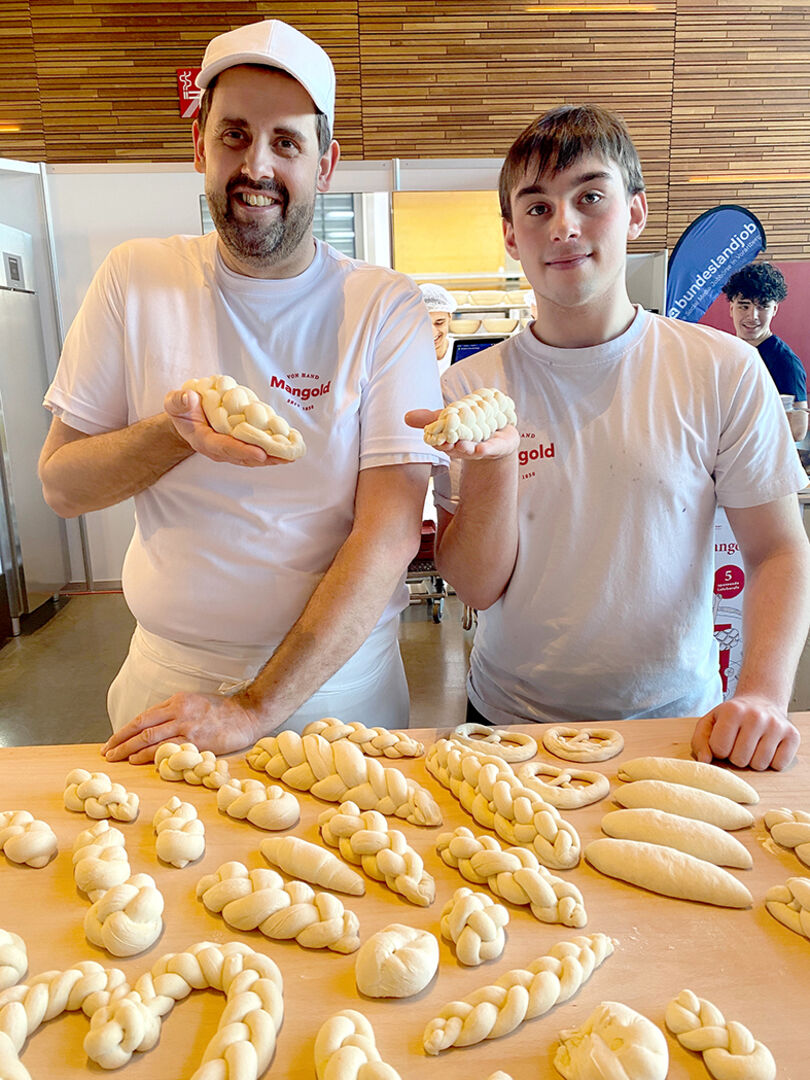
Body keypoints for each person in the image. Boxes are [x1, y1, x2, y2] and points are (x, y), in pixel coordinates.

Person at [38, 18, 446, 764]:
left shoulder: (383, 305)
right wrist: (173, 434)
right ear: (199, 148)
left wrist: (255, 708)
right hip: (167, 680)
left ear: (326, 164)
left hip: (334, 689)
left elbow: (388, 531)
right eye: (233, 135)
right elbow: (63, 486)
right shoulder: (137, 279)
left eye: (286, 142)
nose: (256, 165)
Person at [407, 104, 810, 771]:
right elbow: (475, 588)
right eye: (537, 208)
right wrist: (495, 465)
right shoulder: (469, 388)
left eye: (590, 197)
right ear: (511, 236)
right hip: (508, 727)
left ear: (635, 212)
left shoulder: (721, 368)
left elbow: (776, 551)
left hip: (679, 723)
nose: (564, 225)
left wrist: (764, 696)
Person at [721, 261, 808, 442]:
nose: (752, 316)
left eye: (762, 307)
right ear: (731, 308)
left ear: (774, 309)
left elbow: (798, 429)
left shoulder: (785, 362)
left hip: (762, 465)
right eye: (744, 306)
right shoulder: (727, 352)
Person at [418, 283, 457, 375]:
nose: (432, 332)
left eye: (439, 322)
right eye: (424, 324)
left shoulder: (462, 352)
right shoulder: (405, 357)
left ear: (450, 318)